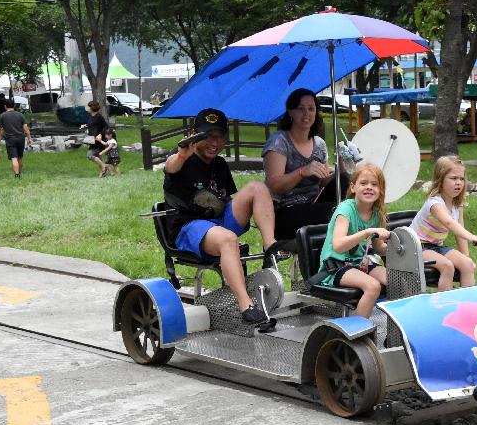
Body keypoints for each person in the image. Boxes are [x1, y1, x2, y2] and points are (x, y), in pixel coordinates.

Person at [164, 108, 278, 324]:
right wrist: (181, 154)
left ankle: (270, 249)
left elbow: (227, 200)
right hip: (190, 226)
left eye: (219, 136)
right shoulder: (182, 160)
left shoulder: (219, 164)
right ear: (194, 134)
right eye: (207, 136)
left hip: (218, 220)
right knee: (228, 239)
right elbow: (170, 167)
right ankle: (246, 305)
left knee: (257, 187)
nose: (214, 142)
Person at [262, 88, 349, 241]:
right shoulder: (279, 142)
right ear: (290, 112)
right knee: (337, 212)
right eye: (301, 109)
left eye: (311, 109)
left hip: (314, 204)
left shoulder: (319, 144)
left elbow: (322, 181)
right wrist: (302, 171)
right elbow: (273, 186)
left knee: (345, 180)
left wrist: (340, 170)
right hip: (286, 212)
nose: (306, 114)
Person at [316, 163, 389, 318]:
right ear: (353, 187)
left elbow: (378, 248)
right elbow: (338, 245)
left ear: (381, 189)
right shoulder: (345, 209)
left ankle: (395, 330)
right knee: (373, 286)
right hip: (335, 266)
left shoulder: (376, 214)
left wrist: (402, 247)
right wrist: (367, 232)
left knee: (396, 280)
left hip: (359, 264)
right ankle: (356, 331)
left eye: (374, 184)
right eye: (363, 183)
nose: (369, 187)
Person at [409, 155, 477, 290]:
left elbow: (459, 229)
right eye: (453, 178)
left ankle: (467, 304)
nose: (459, 182)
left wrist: (466, 257)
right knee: (447, 266)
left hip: (437, 247)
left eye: (461, 179)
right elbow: (450, 223)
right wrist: (472, 237)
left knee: (468, 265)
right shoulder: (434, 204)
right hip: (417, 247)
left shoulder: (458, 203)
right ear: (440, 180)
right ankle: (444, 306)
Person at [0, 99, 33, 178]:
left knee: (14, 158)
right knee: (20, 157)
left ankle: (16, 175)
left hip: (10, 139)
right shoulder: (20, 115)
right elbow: (25, 127)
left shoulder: (2, 115)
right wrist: (29, 138)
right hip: (21, 138)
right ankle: (19, 173)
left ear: (5, 106)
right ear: (14, 106)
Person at [81, 101, 109, 177]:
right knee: (98, 156)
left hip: (98, 140)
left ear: (92, 108)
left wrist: (100, 134)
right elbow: (93, 126)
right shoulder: (91, 116)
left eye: (88, 106)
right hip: (92, 140)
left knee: (90, 155)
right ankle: (103, 172)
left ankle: (104, 166)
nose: (87, 108)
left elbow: (106, 127)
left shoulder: (99, 117)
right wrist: (86, 126)